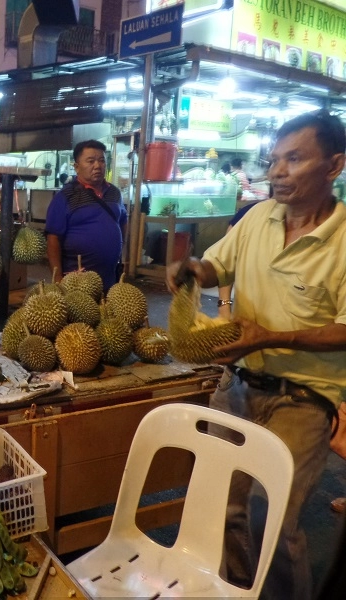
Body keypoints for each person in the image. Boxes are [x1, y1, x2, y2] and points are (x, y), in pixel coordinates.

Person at [166, 109, 346, 600]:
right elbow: (215, 266)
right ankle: (238, 590)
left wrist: (268, 336)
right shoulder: (259, 217)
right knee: (221, 505)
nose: (277, 173)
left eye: (294, 159)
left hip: (303, 399)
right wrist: (192, 270)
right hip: (239, 384)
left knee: (272, 517)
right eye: (273, 161)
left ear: (334, 166)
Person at [45, 140, 127, 292]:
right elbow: (53, 239)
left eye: (102, 160)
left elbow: (122, 221)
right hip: (77, 282)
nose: (97, 166)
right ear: (76, 167)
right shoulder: (65, 197)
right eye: (91, 161)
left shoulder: (115, 193)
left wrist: (119, 249)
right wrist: (57, 280)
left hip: (110, 279)